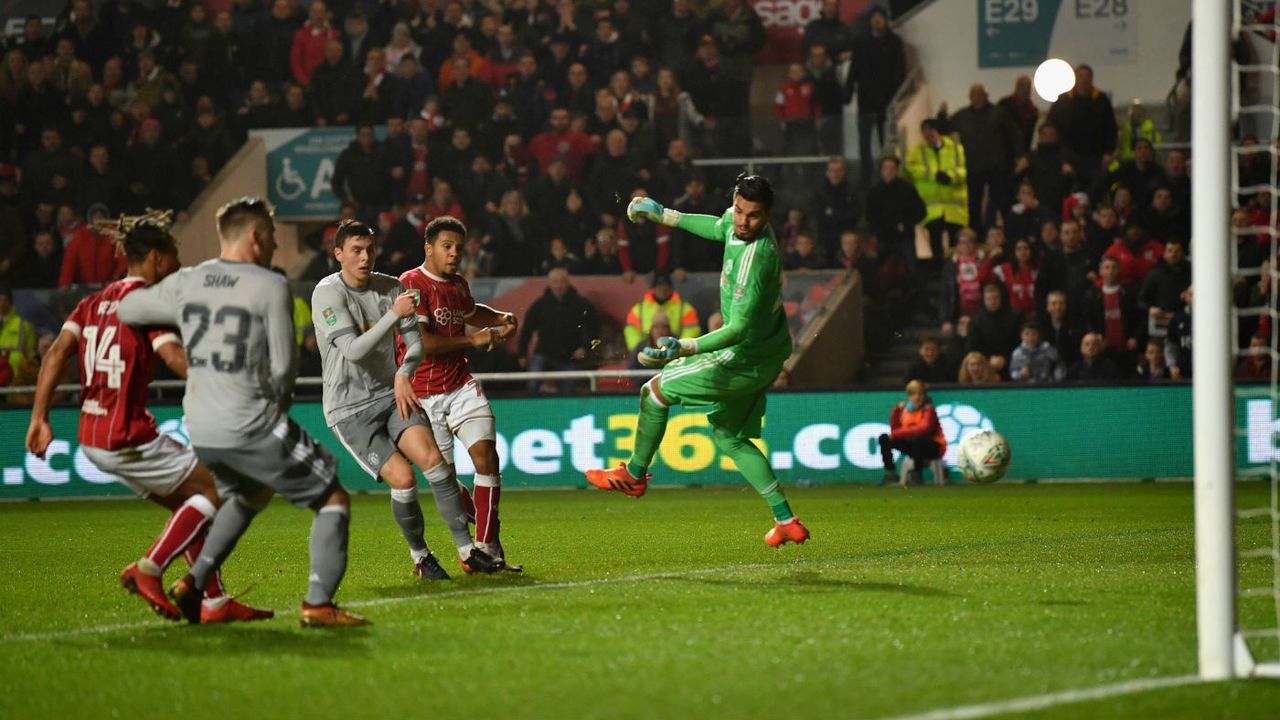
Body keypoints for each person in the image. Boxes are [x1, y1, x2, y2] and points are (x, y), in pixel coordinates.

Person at [117, 197, 365, 627]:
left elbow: (127, 308)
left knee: (248, 495)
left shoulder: (189, 281)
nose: (272, 246)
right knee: (333, 498)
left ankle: (193, 586)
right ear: (254, 237)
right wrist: (277, 411)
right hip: (249, 422)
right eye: (270, 236)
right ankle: (318, 604)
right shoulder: (269, 285)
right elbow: (285, 367)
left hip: (202, 426)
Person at [25, 212, 271, 624]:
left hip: (92, 434)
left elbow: (54, 354)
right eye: (173, 259)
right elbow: (173, 357)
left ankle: (211, 600)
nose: (177, 269)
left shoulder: (90, 303)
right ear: (156, 258)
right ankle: (149, 569)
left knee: (191, 504)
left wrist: (39, 418)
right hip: (127, 435)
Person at [585, 174, 809, 548]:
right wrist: (665, 216)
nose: (741, 221)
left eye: (752, 216)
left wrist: (685, 347)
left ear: (768, 216)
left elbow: (735, 329)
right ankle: (786, 519)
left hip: (742, 356)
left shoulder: (758, 261)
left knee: (654, 391)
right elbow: (718, 225)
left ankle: (635, 475)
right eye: (739, 210)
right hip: (768, 353)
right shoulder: (736, 224)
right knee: (729, 436)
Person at [312, 220, 500, 580]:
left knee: (434, 461)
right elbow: (352, 350)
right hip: (349, 409)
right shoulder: (327, 294)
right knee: (403, 478)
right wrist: (392, 315)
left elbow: (414, 344)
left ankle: (467, 549)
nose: (365, 257)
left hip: (390, 394)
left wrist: (402, 374)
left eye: (370, 249)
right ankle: (421, 556)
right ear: (338, 255)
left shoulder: (391, 287)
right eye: (356, 250)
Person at [400, 216, 523, 572]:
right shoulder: (411, 283)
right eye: (446, 246)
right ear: (429, 248)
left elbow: (471, 312)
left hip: (460, 385)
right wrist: (473, 338)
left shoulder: (457, 284)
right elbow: (422, 343)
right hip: (422, 395)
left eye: (458, 248)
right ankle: (486, 539)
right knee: (447, 483)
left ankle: (487, 548)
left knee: (488, 458)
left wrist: (499, 317)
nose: (454, 254)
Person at [845, 6, 904, 186]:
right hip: (866, 100)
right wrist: (847, 93)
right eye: (874, 17)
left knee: (886, 143)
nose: (877, 21)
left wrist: (896, 94)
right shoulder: (861, 42)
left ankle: (886, 177)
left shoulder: (894, 42)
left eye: (880, 17)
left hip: (886, 102)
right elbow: (854, 69)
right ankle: (865, 179)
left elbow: (900, 69)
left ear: (886, 20)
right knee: (864, 145)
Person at [516, 268, 601, 393]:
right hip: (543, 354)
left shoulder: (581, 304)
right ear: (549, 283)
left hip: (569, 356)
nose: (559, 285)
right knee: (532, 384)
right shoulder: (540, 305)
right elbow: (526, 330)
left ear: (568, 283)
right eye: (555, 282)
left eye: (562, 281)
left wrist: (585, 347)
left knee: (568, 392)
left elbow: (595, 327)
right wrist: (522, 354)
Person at [906, 119, 967, 264]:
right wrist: (934, 174)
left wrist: (950, 177)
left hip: (954, 207)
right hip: (932, 208)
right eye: (924, 133)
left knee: (956, 241)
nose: (928, 136)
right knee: (935, 240)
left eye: (930, 132)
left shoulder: (955, 149)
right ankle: (938, 266)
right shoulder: (918, 151)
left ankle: (955, 266)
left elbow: (963, 170)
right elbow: (911, 169)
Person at [877, 380, 945, 486]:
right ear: (909, 397)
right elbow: (895, 430)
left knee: (919, 438)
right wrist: (895, 412)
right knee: (884, 438)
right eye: (913, 394)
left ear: (924, 396)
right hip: (913, 446)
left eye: (920, 394)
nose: (917, 397)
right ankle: (890, 472)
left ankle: (917, 474)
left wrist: (897, 434)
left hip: (933, 447)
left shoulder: (928, 410)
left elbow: (924, 428)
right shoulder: (905, 411)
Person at [623, 270, 700, 355]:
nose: (662, 289)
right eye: (659, 286)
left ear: (671, 288)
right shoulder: (638, 309)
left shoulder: (686, 309)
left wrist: (680, 349)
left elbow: (692, 331)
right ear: (653, 288)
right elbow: (630, 331)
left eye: (665, 285)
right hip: (646, 354)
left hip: (675, 354)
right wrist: (639, 351)